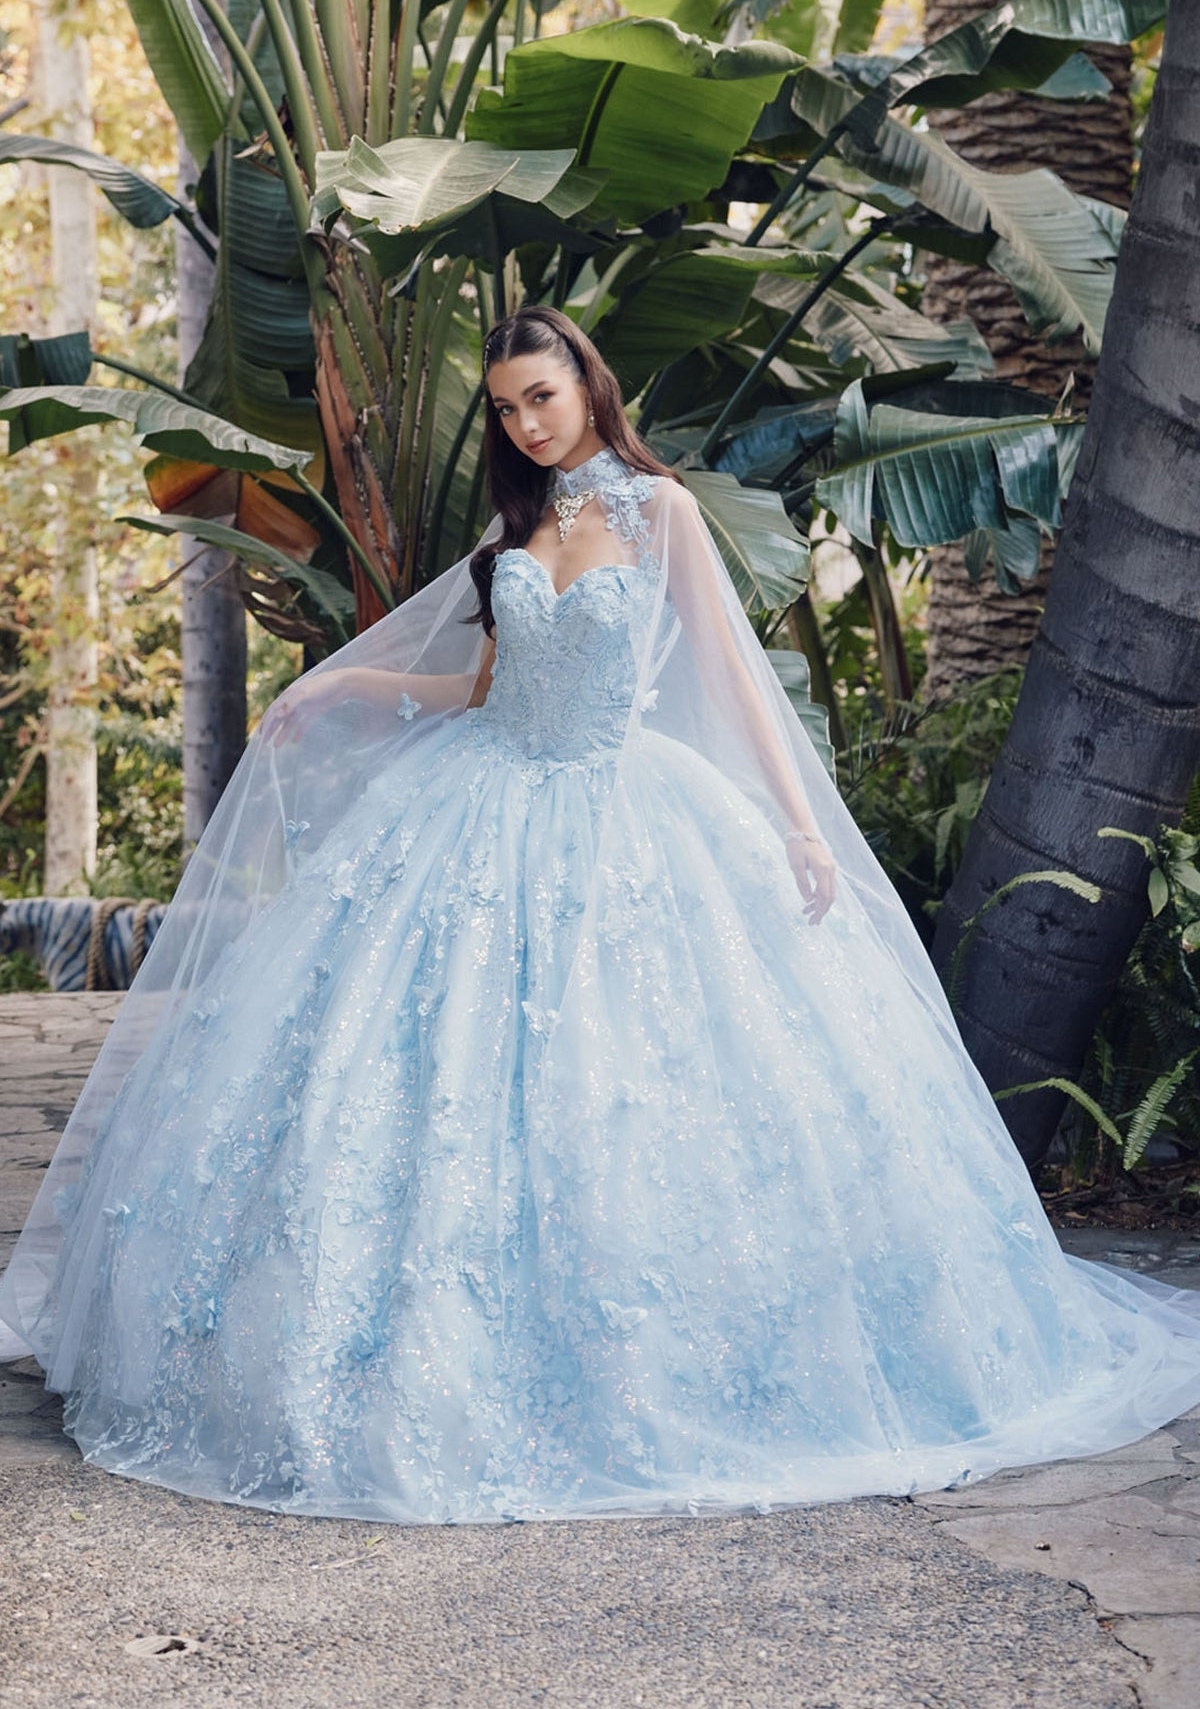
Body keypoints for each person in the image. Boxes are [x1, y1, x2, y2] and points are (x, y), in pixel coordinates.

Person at [3, 306, 1199, 1526]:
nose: (526, 424)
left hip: (628, 815)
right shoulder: (516, 523)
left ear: (588, 382)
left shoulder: (658, 510)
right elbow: (480, 687)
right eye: (509, 409)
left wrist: (793, 821)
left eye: (543, 397)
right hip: (479, 804)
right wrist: (352, 683)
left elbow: (734, 679)